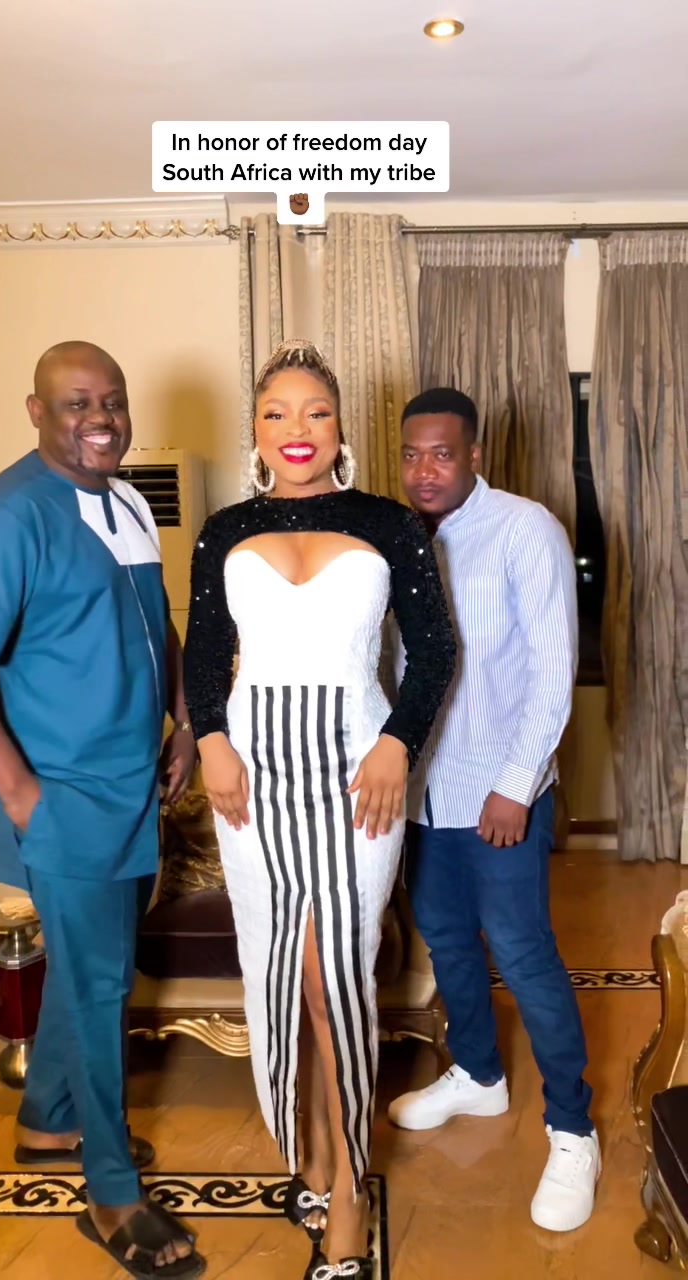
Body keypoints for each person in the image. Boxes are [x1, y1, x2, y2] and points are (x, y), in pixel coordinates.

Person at [183, 340, 455, 1279]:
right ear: (255, 431)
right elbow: (203, 651)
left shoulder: (388, 523)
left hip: (356, 777)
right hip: (251, 781)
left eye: (316, 412)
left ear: (341, 427)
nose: (296, 430)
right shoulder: (223, 530)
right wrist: (212, 743)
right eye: (276, 413)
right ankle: (308, 1147)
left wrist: (397, 745)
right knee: (283, 974)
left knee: (334, 974)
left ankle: (349, 1188)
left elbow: (434, 650)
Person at [0, 342, 206, 1278]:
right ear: (36, 411)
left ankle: (46, 1122)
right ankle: (111, 1194)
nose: (100, 418)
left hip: (133, 785)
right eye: (76, 403)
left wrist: (184, 720)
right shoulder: (7, 516)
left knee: (91, 967)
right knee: (105, 986)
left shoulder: (128, 500)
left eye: (111, 400)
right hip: (64, 794)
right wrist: (19, 792)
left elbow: (156, 620)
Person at [387, 387, 599, 1234]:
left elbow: (553, 669)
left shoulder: (524, 529)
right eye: (412, 454)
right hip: (424, 791)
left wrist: (516, 783)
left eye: (442, 454)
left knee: (522, 950)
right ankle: (478, 1074)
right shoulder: (398, 539)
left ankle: (573, 1126)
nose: (425, 470)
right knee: (444, 939)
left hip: (501, 789)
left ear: (475, 455)